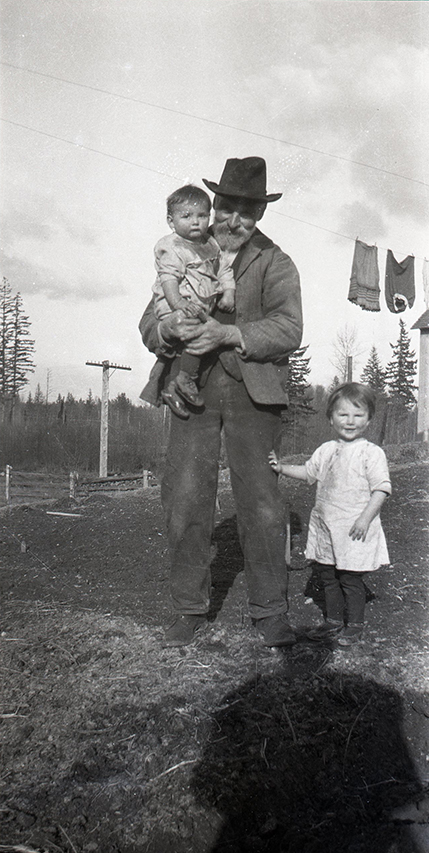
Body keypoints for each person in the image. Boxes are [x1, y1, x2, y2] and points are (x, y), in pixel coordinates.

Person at [139, 156, 303, 648]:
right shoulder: (181, 248)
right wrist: (167, 327)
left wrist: (227, 332)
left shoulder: (275, 261)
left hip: (253, 393)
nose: (234, 221)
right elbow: (149, 322)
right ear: (214, 205)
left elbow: (289, 328)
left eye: (246, 213)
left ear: (259, 216)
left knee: (263, 505)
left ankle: (270, 612)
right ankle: (189, 610)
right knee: (185, 497)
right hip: (192, 390)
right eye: (227, 208)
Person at [269, 382, 391, 646]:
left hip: (353, 529)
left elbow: (381, 490)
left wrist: (365, 518)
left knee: (349, 578)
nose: (350, 421)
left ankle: (354, 625)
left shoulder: (371, 453)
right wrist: (281, 468)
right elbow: (308, 473)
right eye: (343, 414)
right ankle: (334, 621)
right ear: (331, 418)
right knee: (328, 576)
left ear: (369, 419)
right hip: (326, 527)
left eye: (358, 415)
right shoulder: (325, 450)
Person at [152, 184, 236, 418]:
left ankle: (172, 390)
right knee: (199, 338)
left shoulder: (210, 243)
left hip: (198, 305)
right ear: (171, 221)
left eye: (202, 215)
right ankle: (185, 380)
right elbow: (169, 278)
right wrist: (178, 303)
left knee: (195, 344)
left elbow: (223, 269)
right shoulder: (172, 246)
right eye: (186, 216)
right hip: (175, 304)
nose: (196, 222)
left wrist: (228, 291)